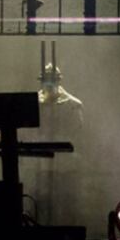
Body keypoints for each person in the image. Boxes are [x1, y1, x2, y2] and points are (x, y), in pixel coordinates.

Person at [35, 62, 84, 226]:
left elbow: (77, 132)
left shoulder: (72, 105)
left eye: (52, 80)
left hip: (65, 163)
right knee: (41, 204)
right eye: (46, 80)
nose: (49, 84)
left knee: (66, 203)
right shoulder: (33, 104)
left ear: (58, 81)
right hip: (41, 163)